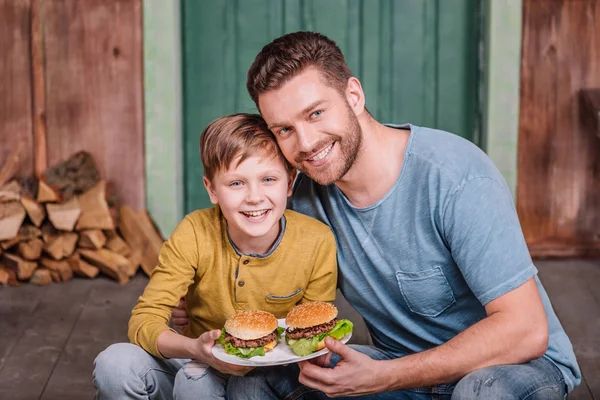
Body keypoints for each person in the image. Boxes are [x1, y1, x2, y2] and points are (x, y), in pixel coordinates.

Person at [172, 31, 580, 399]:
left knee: (480, 391)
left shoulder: (455, 178)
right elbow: (253, 258)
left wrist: (383, 376)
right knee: (256, 383)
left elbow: (526, 330)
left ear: (353, 95)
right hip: (396, 367)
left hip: (510, 369)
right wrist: (198, 297)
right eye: (284, 129)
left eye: (315, 114)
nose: (306, 142)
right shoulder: (302, 192)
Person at [93, 113, 338, 399]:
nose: (254, 197)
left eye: (268, 179)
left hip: (261, 379)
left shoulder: (316, 241)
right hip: (193, 360)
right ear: (212, 189)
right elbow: (145, 320)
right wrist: (196, 348)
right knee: (117, 364)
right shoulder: (195, 231)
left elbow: (311, 332)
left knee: (203, 385)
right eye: (236, 183)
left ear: (289, 183)